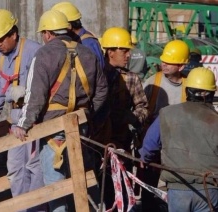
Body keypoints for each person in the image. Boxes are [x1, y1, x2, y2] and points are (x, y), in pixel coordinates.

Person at [12, 10, 107, 212]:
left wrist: (23, 124)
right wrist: (88, 115)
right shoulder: (88, 53)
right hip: (81, 128)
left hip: (53, 132)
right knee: (85, 181)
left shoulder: (44, 54)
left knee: (56, 187)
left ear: (47, 33)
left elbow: (35, 95)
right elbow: (102, 91)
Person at [0, 9, 44, 210]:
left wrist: (27, 94)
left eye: (1, 39)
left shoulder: (34, 51)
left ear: (13, 34)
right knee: (15, 169)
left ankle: (37, 209)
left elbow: (45, 87)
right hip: (15, 119)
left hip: (35, 118)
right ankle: (20, 208)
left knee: (34, 166)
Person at [139, 67, 218, 212]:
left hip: (178, 188)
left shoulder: (167, 113)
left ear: (187, 90)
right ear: (211, 93)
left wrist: (145, 158)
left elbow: (150, 145)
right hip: (209, 190)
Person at [93, 27, 149, 211]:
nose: (128, 55)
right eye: (124, 50)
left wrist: (132, 118)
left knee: (123, 192)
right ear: (110, 51)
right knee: (100, 190)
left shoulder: (131, 79)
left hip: (122, 143)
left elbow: (143, 107)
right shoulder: (96, 76)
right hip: (98, 144)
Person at [140, 39, 190, 212]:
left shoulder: (188, 87)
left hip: (177, 147)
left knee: (177, 185)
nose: (164, 63)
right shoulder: (152, 83)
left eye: (170, 62)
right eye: (163, 60)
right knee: (147, 183)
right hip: (153, 143)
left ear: (181, 67)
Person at [51, 1, 104, 69]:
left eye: (59, 28)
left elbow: (98, 72)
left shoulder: (88, 43)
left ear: (68, 26)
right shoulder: (76, 41)